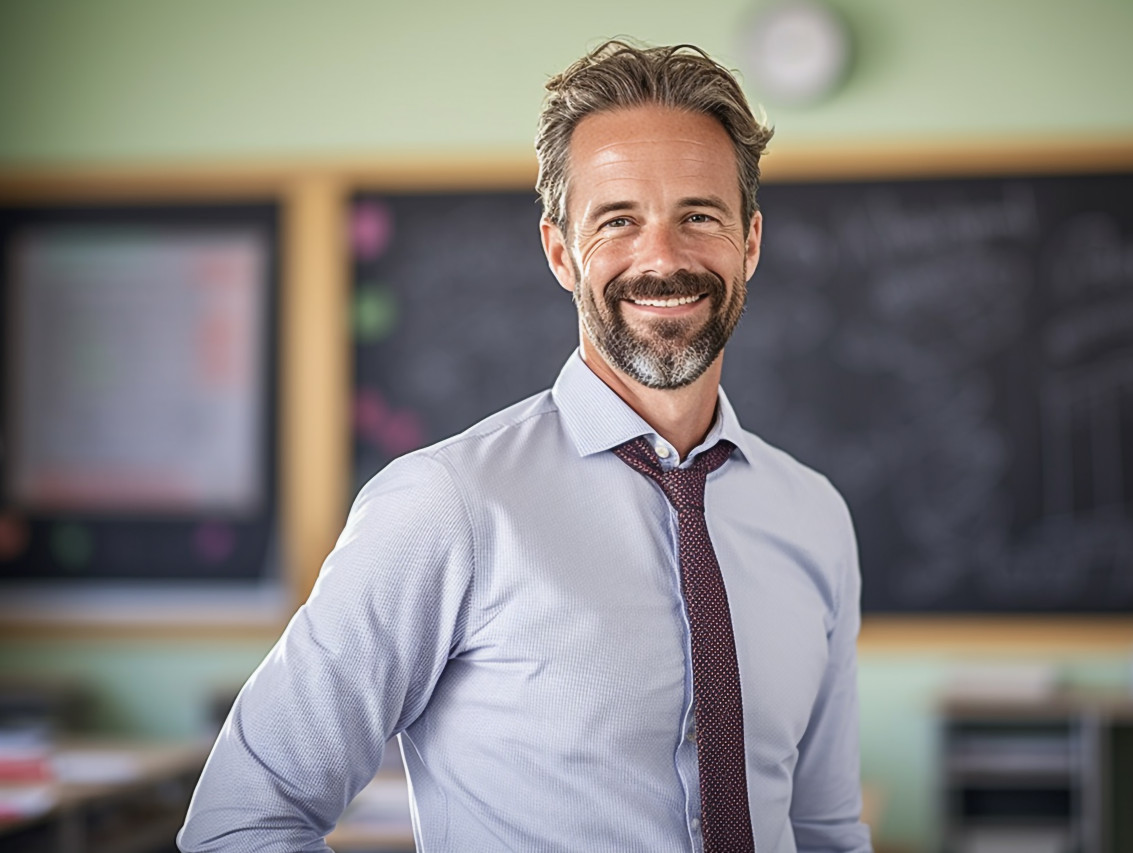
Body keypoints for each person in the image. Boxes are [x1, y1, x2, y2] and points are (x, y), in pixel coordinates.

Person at [178, 40, 872, 853]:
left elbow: (823, 830)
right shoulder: (446, 504)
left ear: (749, 242)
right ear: (560, 252)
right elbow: (242, 819)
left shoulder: (815, 517)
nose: (663, 257)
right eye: (618, 220)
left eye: (699, 216)